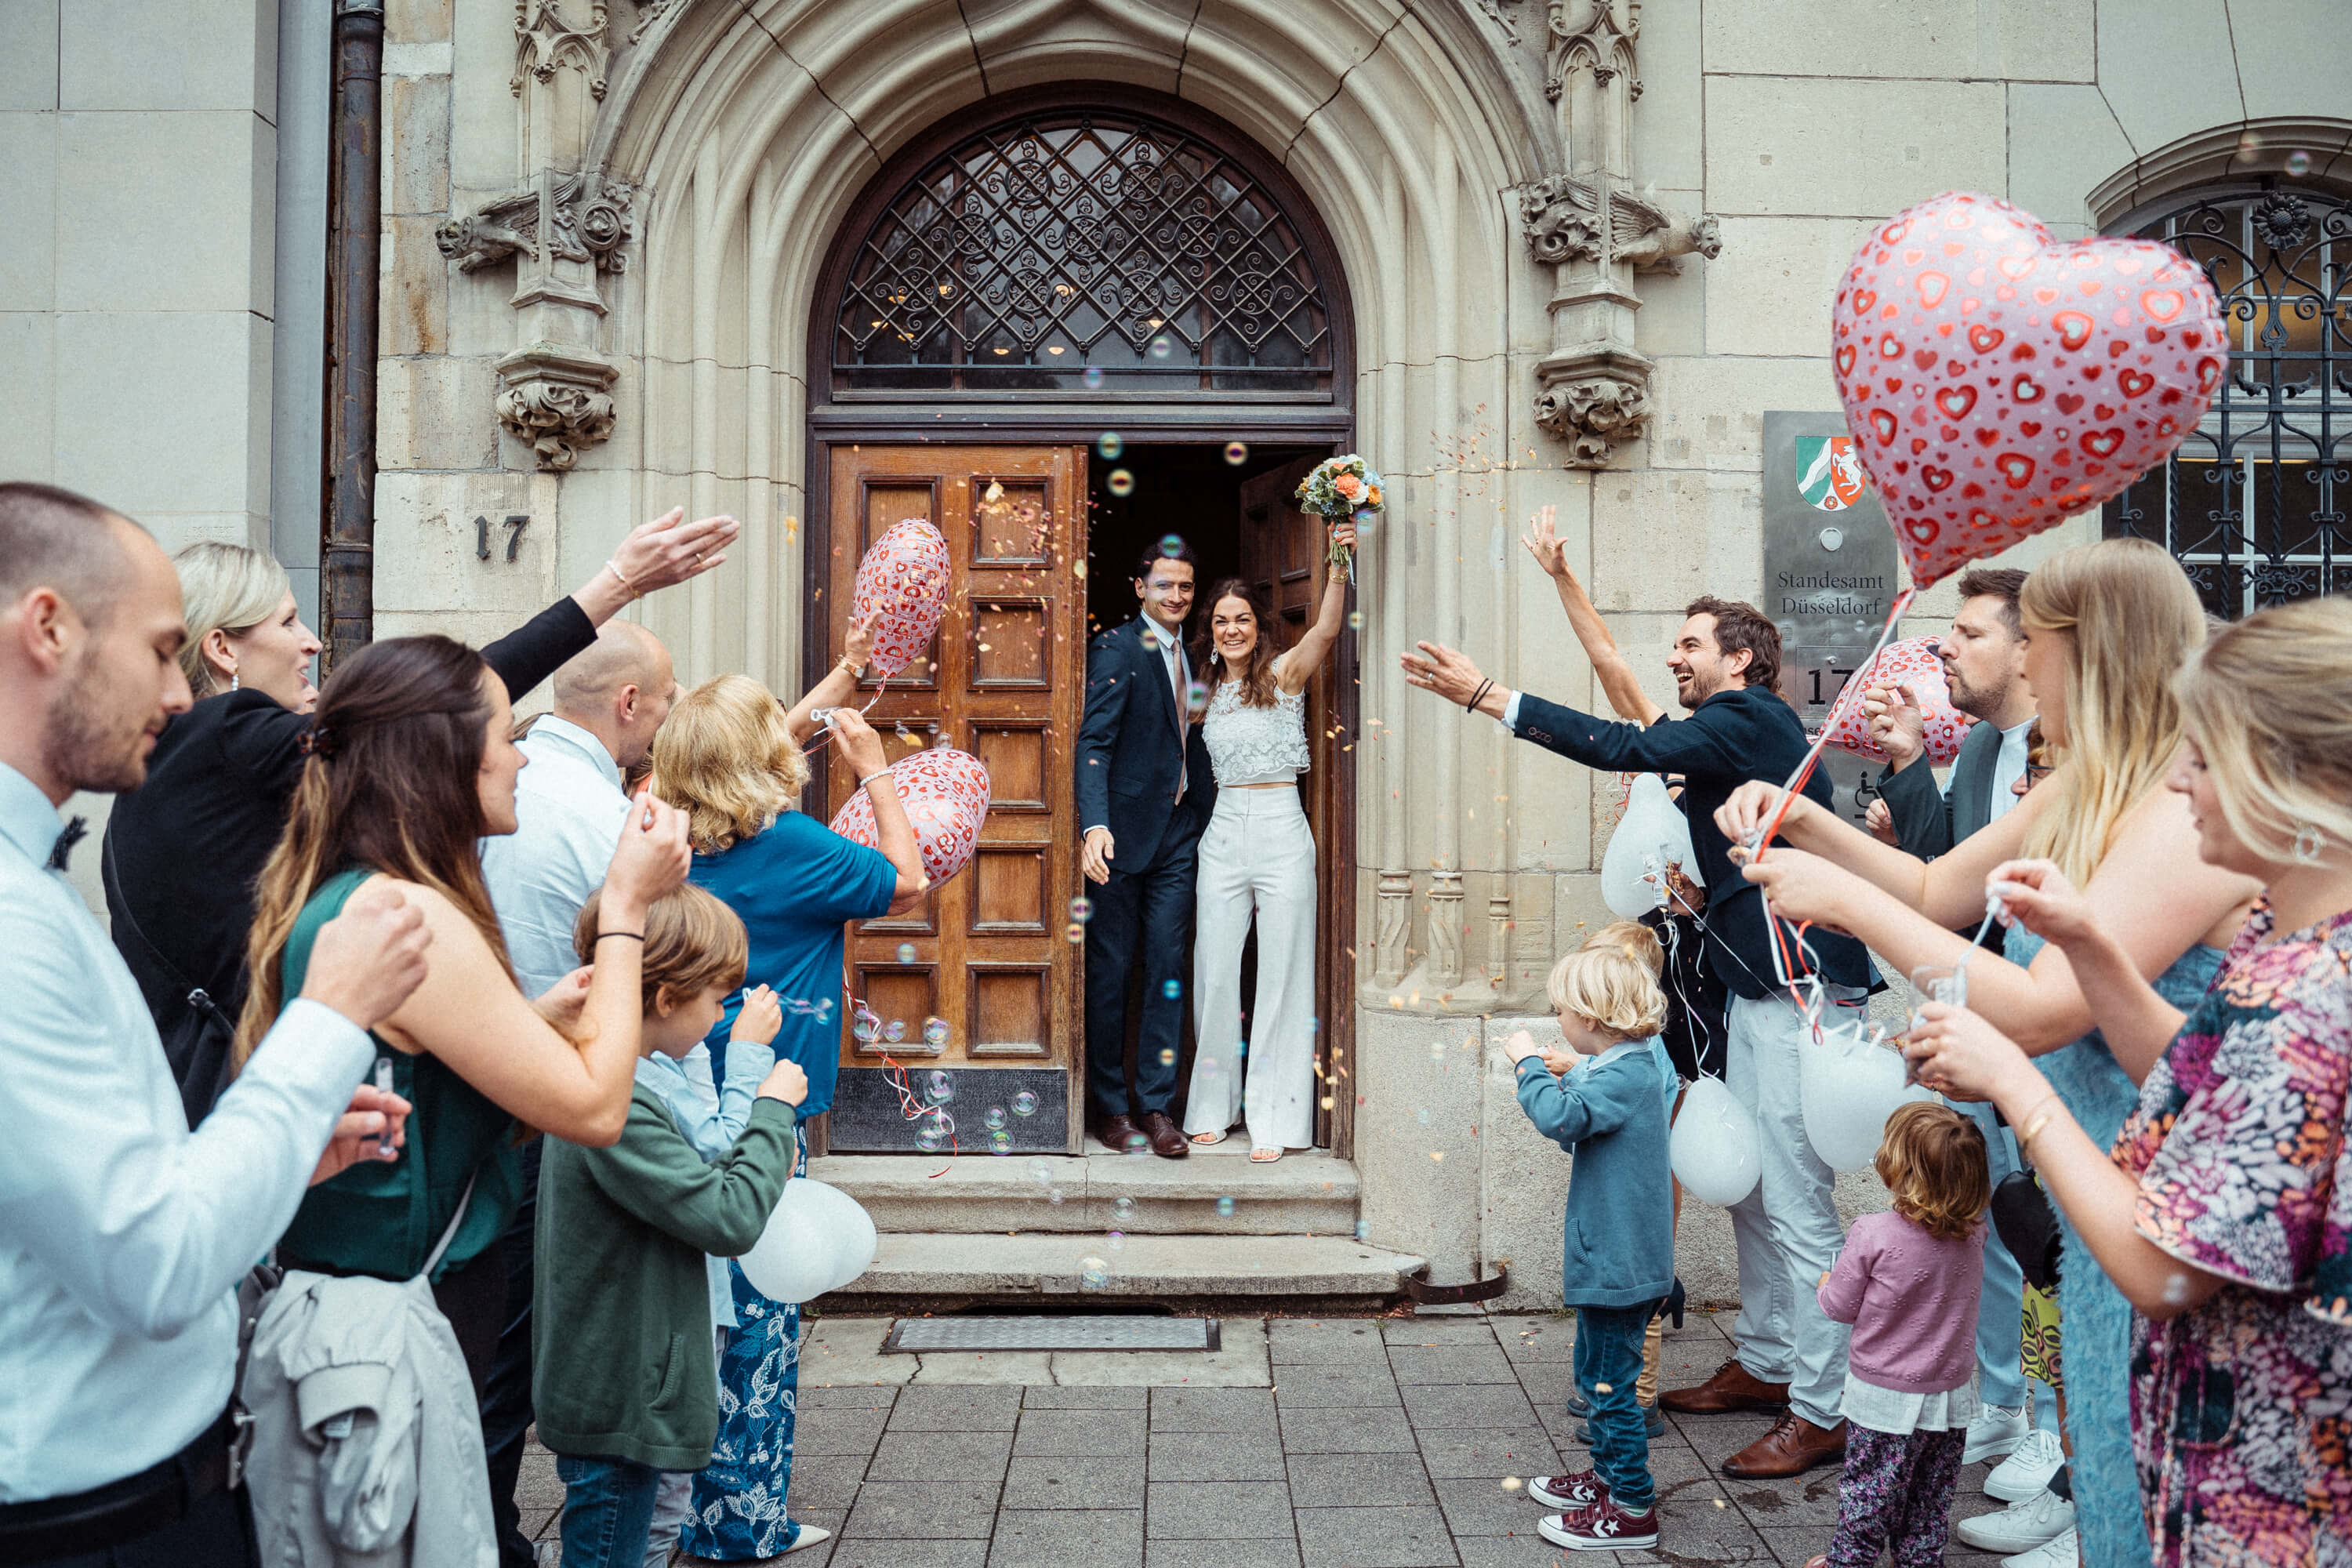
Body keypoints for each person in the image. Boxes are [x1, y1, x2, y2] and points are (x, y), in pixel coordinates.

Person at [1715, 539, 2263, 1568]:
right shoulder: (2086, 779)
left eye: (2036, 642)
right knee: (2108, 1441)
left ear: (2085, 650)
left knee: (2146, 1467)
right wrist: (1806, 823)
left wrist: (1845, 906)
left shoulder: (2178, 807)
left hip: (2159, 1178)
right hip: (2086, 1181)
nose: (2024, 667)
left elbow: (2046, 1010)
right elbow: (1937, 890)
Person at [0, 481, 431, 1565]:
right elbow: (154, 1264)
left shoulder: (34, 881)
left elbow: (108, 1192)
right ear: (48, 629)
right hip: (93, 1527)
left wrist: (277, 1152)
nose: (175, 692)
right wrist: (328, 1014)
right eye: (159, 650)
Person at [1904, 595, 2352, 1567]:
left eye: (2205, 756)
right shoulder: (2290, 943)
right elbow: (2199, 1086)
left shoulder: (2313, 992)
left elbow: (2168, 1269)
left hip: (2275, 1491)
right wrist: (2091, 943)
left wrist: (2016, 1080)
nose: (2179, 781)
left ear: (2295, 778)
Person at [1404, 595, 1876, 1481]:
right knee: (1752, 1190)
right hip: (1758, 984)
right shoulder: (1733, 729)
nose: (1674, 657)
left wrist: (1487, 695)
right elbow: (1635, 708)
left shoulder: (1746, 716)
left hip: (1798, 987)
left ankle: (1826, 1409)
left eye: (1690, 643)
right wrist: (1709, 899)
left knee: (1797, 1201)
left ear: (1739, 659)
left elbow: (1621, 742)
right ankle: (1768, 1363)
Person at [105, 510, 736, 1127]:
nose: (312, 641)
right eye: (288, 621)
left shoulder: (192, 774)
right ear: (222, 648)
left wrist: (528, 1022)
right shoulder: (222, 738)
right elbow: (442, 705)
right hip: (225, 1111)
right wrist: (616, 584)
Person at [239, 634, 695, 1396]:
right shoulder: (411, 914)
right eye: (504, 737)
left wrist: (531, 1020)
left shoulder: (361, 889)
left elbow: (425, 1070)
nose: (521, 759)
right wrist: (625, 905)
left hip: (380, 1295)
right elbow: (595, 1107)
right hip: (402, 1316)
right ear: (445, 759)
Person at [648, 677, 924, 1566]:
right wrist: (875, 770)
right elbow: (909, 881)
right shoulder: (795, 845)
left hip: (666, 1092)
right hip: (761, 1100)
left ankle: (671, 1499)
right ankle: (739, 1522)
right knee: (761, 1316)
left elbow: (722, 758)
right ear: (764, 758)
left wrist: (839, 677)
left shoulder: (654, 837)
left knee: (687, 1307)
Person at [475, 617, 684, 1568]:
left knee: (493, 1345)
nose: (667, 720)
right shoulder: (606, 821)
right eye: (666, 701)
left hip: (493, 1085)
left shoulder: (519, 785)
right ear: (630, 702)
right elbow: (661, 978)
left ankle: (485, 1527)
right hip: (556, 1104)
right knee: (531, 1352)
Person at [535, 884, 808, 1568]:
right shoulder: (620, 1097)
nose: (720, 1016)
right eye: (715, 1000)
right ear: (664, 1000)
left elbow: (704, 1164)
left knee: (647, 1532)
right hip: (622, 1387)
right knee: (612, 1547)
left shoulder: (633, 1073)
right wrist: (772, 1109)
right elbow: (728, 1214)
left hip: (637, 1374)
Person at [1854, 567, 2057, 1475]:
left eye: (1970, 632)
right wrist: (1908, 763)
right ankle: (2005, 1404)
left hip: (2040, 1019)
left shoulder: (2064, 756)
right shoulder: (1977, 749)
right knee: (1986, 1212)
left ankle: (2056, 1434)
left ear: (2026, 647)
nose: (1946, 645)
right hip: (1973, 1012)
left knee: (2048, 1223)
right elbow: (1946, 874)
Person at [1182, 529, 1352, 1161]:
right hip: (1224, 831)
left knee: (1282, 973)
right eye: (1221, 621)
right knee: (1215, 971)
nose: (1232, 630)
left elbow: (1326, 631)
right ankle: (1212, 1108)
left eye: (1243, 620)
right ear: (1211, 631)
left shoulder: (1284, 675)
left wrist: (1338, 562)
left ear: (1258, 627)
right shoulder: (1201, 692)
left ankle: (1275, 1121)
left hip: (1282, 827)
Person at [1504, 935, 1674, 1552]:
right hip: (1615, 1258)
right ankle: (1606, 1479)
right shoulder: (1626, 1065)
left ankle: (1630, 1508)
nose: (1559, 1021)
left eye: (1562, 1012)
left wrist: (1526, 1065)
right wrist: (1569, 1071)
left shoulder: (1626, 1072)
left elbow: (1563, 1119)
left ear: (1594, 1020)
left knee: (1608, 1388)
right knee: (1595, 1375)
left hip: (1617, 1263)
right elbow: (1586, 1111)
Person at [1804, 1102, 1991, 1568]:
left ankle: (1849, 1562)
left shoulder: (1872, 1234)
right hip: (1950, 1395)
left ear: (1901, 1170)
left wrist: (1825, 1284)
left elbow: (1839, 1307)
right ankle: (1919, 1560)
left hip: (1884, 1399)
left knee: (1868, 1495)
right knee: (1930, 1498)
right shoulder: (1974, 1233)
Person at [1077, 538, 1218, 1159]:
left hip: (1180, 833)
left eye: (1185, 586)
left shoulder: (1198, 654)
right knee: (1111, 971)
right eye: (1164, 585)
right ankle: (1111, 1108)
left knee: (1167, 968)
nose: (1177, 596)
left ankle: (1158, 1107)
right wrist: (1094, 825)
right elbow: (1094, 742)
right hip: (1120, 837)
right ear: (1140, 588)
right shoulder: (1116, 647)